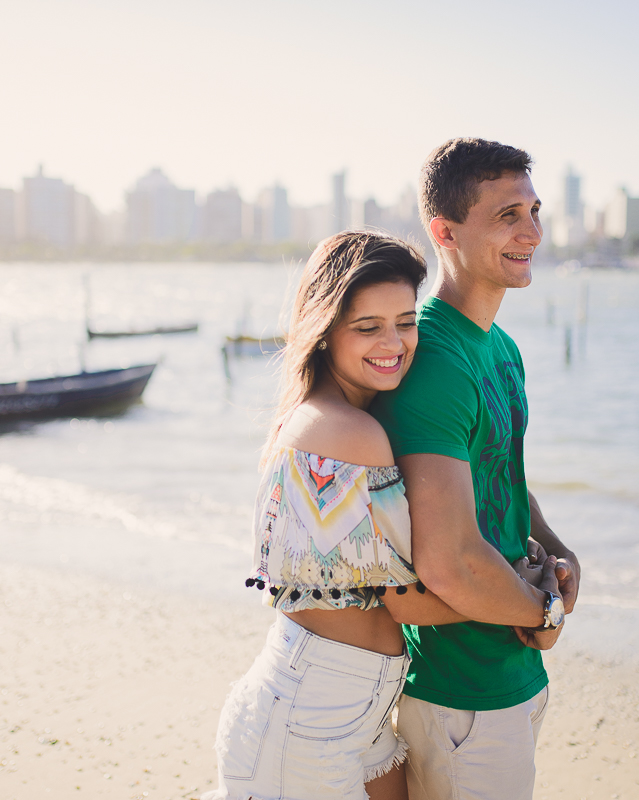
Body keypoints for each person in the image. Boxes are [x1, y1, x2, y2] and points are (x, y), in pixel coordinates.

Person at [204, 231, 564, 800]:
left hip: (353, 707)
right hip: (308, 718)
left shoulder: (331, 417)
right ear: (324, 334)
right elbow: (407, 597)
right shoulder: (351, 433)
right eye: (367, 327)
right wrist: (532, 603)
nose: (394, 343)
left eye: (405, 321)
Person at [370, 138, 582, 800]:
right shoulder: (434, 360)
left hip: (511, 673)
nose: (533, 233)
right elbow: (450, 561)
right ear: (446, 232)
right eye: (508, 216)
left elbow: (501, 474)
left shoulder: (502, 347)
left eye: (535, 211)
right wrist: (544, 613)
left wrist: (558, 551)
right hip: (462, 691)